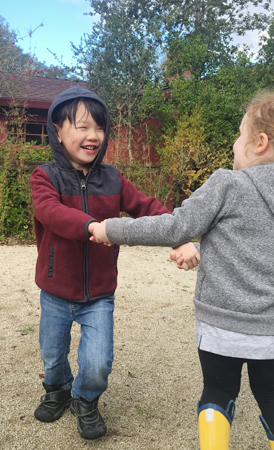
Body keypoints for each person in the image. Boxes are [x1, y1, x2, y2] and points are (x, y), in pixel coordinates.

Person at [90, 92, 274, 449]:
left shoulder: (229, 184)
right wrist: (203, 249)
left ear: (260, 143)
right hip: (273, 332)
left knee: (218, 393)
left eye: (239, 134)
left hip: (220, 326)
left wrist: (111, 229)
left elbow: (174, 227)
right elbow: (259, 245)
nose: (235, 143)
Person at [30, 85, 170, 440]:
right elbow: (50, 212)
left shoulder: (113, 179)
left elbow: (147, 207)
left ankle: (85, 399)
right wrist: (93, 226)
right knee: (52, 355)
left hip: (99, 295)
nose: (93, 135)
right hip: (56, 291)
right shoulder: (44, 176)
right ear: (58, 132)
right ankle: (58, 390)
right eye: (83, 127)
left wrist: (179, 232)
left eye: (100, 128)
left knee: (98, 363)